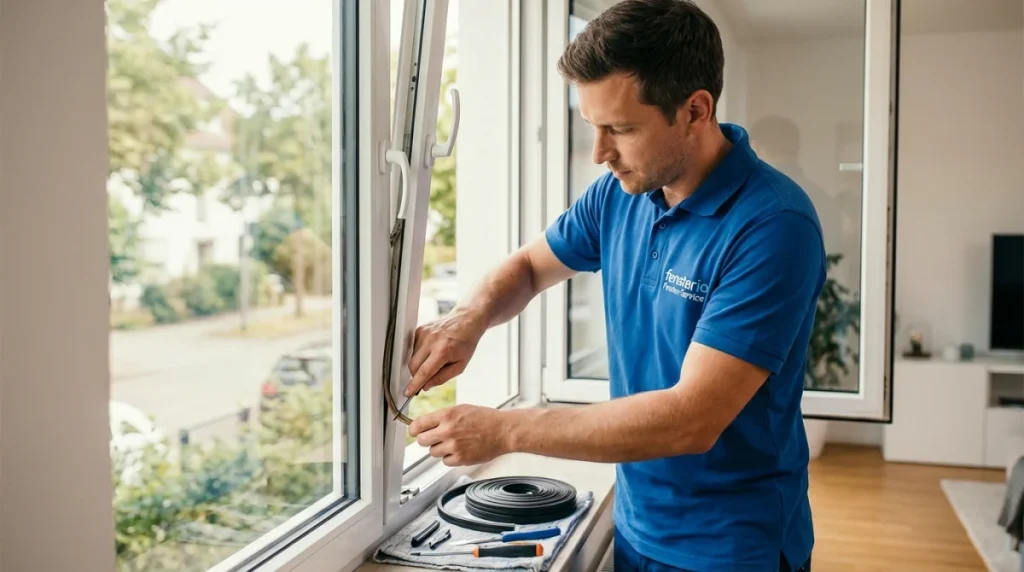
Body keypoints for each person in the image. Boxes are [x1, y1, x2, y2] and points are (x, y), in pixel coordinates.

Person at [405, 1, 822, 570]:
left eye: (620, 129)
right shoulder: (620, 195)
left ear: (696, 110)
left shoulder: (773, 225)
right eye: (592, 127)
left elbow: (691, 419)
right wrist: (468, 319)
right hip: (637, 524)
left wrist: (504, 430)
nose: (601, 154)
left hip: (730, 547)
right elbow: (530, 266)